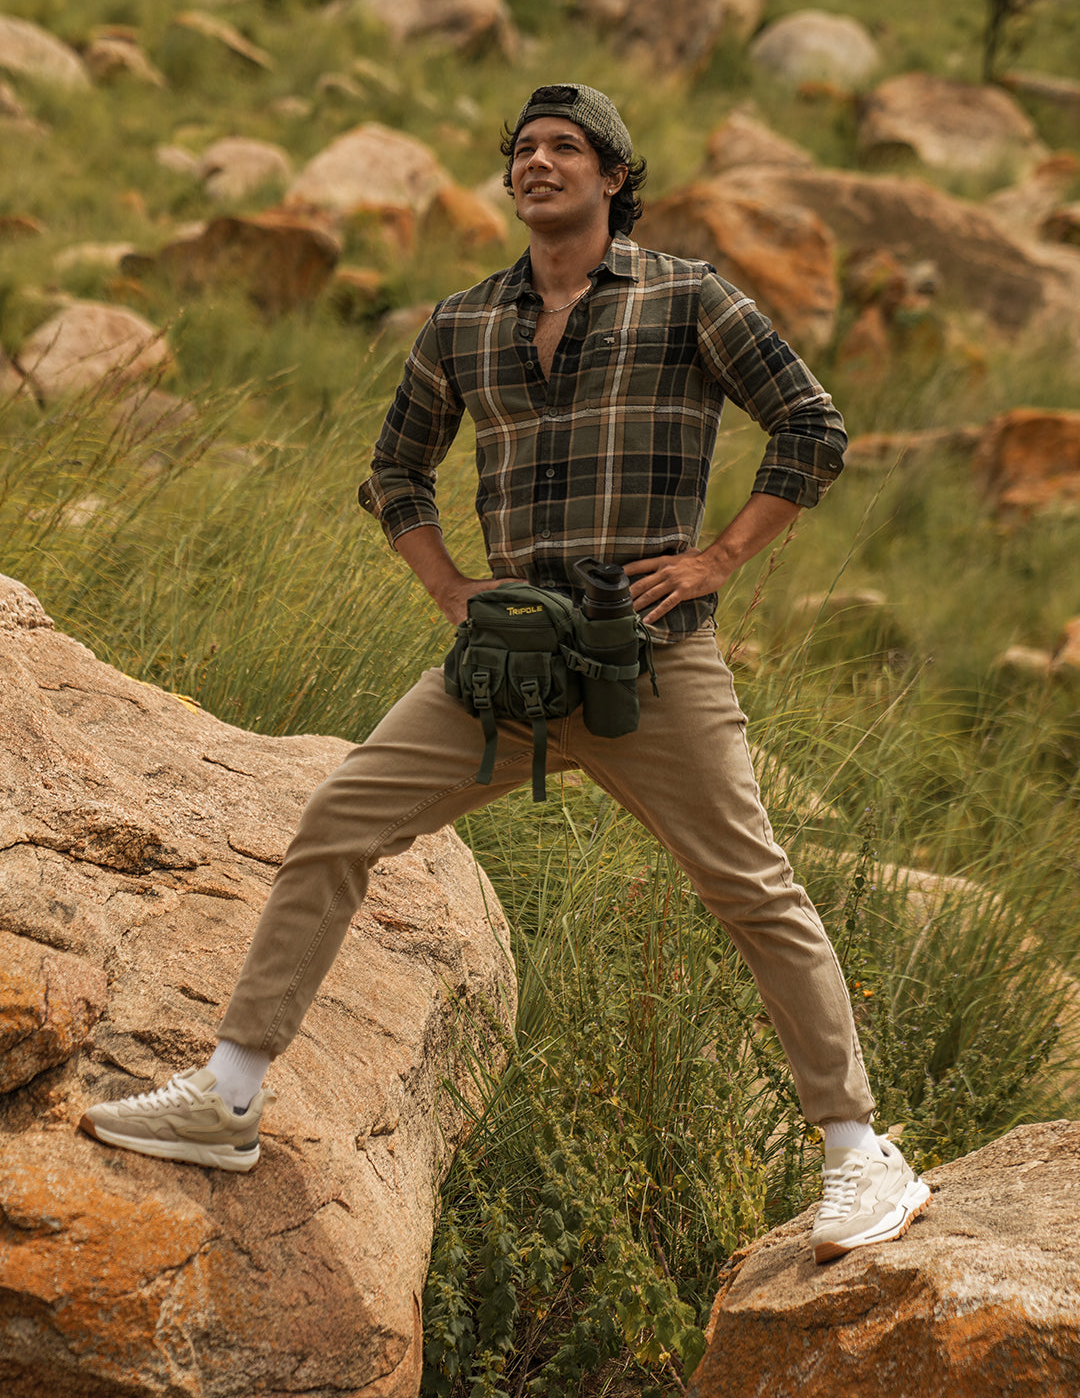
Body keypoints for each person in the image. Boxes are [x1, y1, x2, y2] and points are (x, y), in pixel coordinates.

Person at [80, 83, 931, 1264]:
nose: (537, 162)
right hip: (504, 675)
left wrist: (719, 558)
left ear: (614, 176)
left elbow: (812, 427)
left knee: (754, 892)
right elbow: (394, 471)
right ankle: (229, 1095)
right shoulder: (467, 321)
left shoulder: (689, 296)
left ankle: (858, 1151)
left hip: (651, 660)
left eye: (564, 147)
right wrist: (448, 587)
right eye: (523, 148)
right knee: (336, 822)